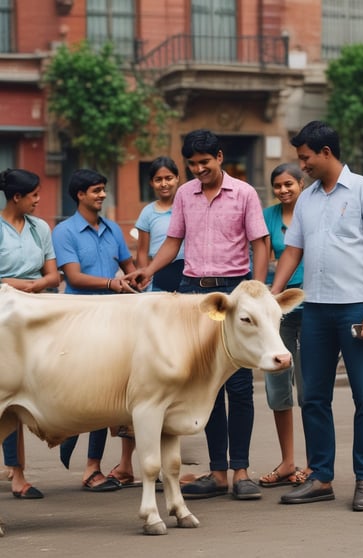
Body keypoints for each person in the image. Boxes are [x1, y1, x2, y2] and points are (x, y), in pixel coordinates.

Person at [126, 129, 269, 500]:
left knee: (238, 387)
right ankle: (217, 473)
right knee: (207, 387)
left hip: (234, 293)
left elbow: (260, 243)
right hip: (194, 295)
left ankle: (241, 471)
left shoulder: (245, 193)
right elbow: (173, 242)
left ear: (220, 157)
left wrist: (256, 292)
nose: (198, 170)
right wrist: (149, 270)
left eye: (204, 163)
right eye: (192, 165)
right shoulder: (185, 195)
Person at [271, 120, 363, 511]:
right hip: (313, 310)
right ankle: (320, 478)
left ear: (326, 153)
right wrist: (274, 293)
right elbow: (292, 250)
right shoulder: (308, 199)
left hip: (357, 308)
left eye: (305, 157)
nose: (302, 166)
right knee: (313, 397)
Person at [52, 168, 138, 492]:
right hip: (79, 319)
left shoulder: (114, 229)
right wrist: (112, 283)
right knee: (82, 391)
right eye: (97, 190)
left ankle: (92, 469)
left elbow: (130, 270)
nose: (102, 195)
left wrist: (138, 279)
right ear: (80, 195)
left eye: (103, 190)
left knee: (107, 393)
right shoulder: (64, 232)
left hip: (115, 319)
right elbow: (73, 278)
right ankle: (68, 433)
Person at [0, 168, 60, 499]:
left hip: (39, 311)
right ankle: (18, 474)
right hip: (5, 316)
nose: (39, 200)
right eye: (34, 195)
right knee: (9, 394)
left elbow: (53, 276)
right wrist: (31, 285)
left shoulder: (40, 228)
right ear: (16, 198)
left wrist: (32, 285)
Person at [258, 163, 306, 487]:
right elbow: (261, 256)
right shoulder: (269, 216)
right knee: (277, 387)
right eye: (277, 185)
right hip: (279, 309)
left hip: (315, 307)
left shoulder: (313, 211)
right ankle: (288, 462)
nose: (283, 190)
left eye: (289, 184)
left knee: (311, 388)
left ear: (301, 184)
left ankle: (316, 465)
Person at [135, 156, 184, 291]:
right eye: (158, 180)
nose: (164, 184)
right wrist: (144, 277)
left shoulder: (187, 207)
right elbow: (142, 252)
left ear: (177, 178)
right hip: (160, 276)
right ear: (151, 182)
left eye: (168, 178)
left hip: (187, 276)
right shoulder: (148, 212)